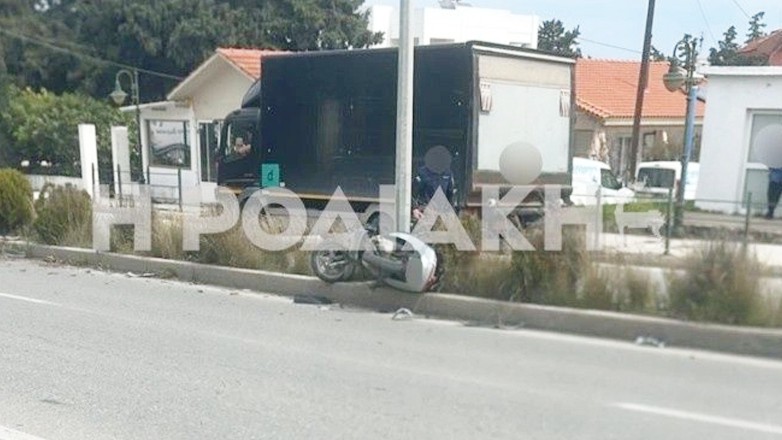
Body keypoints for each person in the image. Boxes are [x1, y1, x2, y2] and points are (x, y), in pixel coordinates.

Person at [411, 145, 456, 220]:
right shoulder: (423, 173)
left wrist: (451, 212)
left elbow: (450, 195)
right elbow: (412, 193)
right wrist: (414, 209)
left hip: (441, 213)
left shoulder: (448, 174)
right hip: (424, 211)